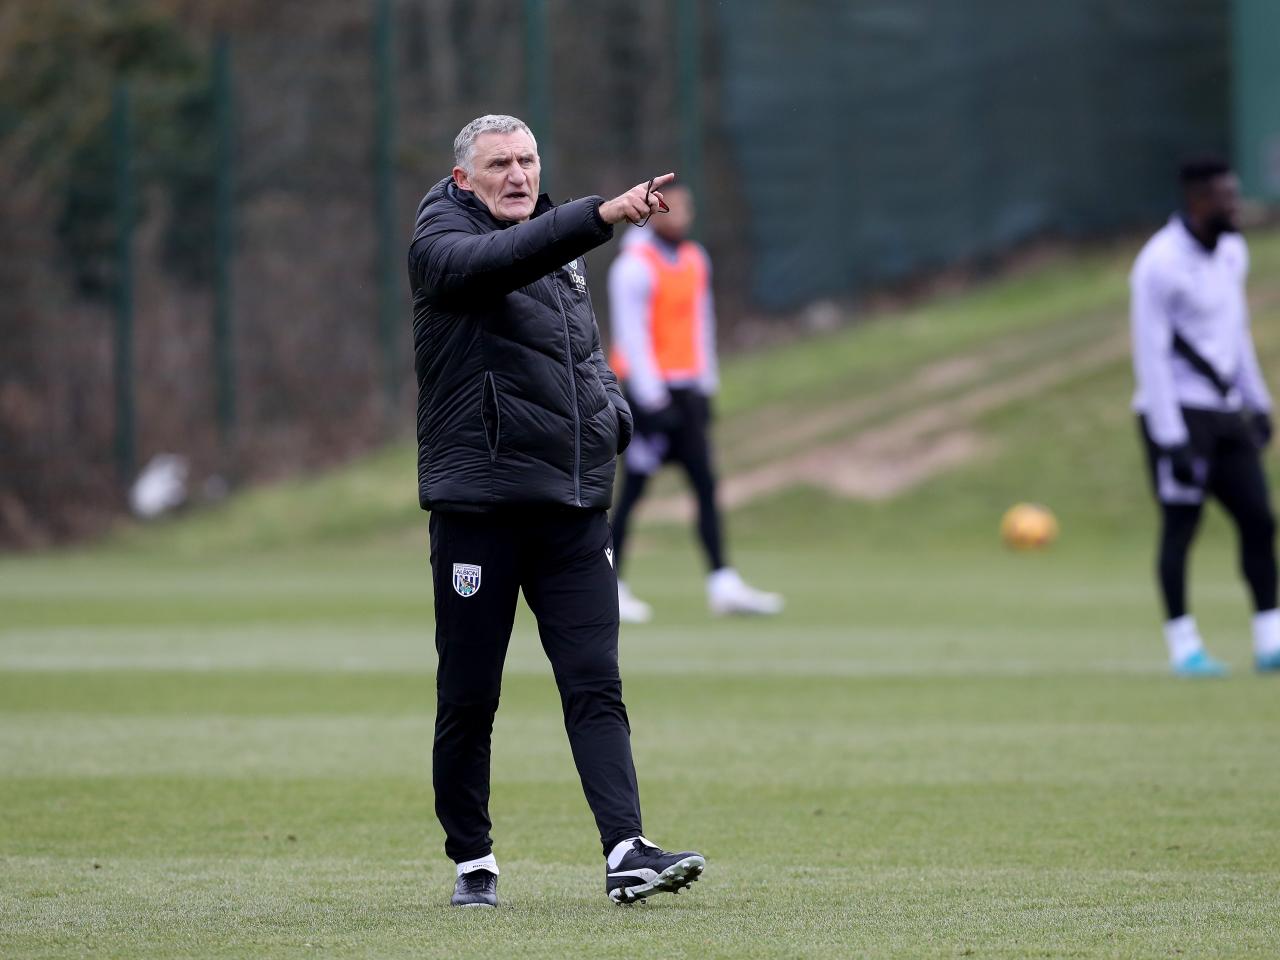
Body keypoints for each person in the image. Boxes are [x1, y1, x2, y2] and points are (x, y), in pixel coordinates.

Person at [407, 115, 704, 907]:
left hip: (571, 512)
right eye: (500, 163)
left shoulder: (554, 245)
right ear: (464, 179)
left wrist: (612, 416)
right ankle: (473, 860)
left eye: (529, 159)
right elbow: (495, 264)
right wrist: (598, 216)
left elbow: (582, 357)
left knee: (595, 684)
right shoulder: (443, 243)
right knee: (470, 695)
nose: (518, 174)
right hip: (481, 512)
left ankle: (627, 850)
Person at [1130, 156, 1280, 677]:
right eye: (1226, 198)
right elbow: (1150, 353)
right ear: (1198, 202)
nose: (1236, 206)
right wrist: (1169, 437)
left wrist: (1257, 401)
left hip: (1224, 413)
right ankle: (1184, 647)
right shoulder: (1158, 264)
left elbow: (1235, 335)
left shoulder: (1233, 254)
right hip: (1176, 414)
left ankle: (1270, 639)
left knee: (1259, 521)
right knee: (1181, 527)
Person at [607, 184, 783, 623]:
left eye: (685, 207)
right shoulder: (633, 266)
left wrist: (706, 386)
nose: (679, 216)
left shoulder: (693, 259)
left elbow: (701, 325)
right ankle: (609, 586)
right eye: (670, 208)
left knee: (704, 484)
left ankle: (723, 582)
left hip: (687, 392)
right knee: (632, 492)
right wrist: (650, 400)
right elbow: (633, 336)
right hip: (651, 395)